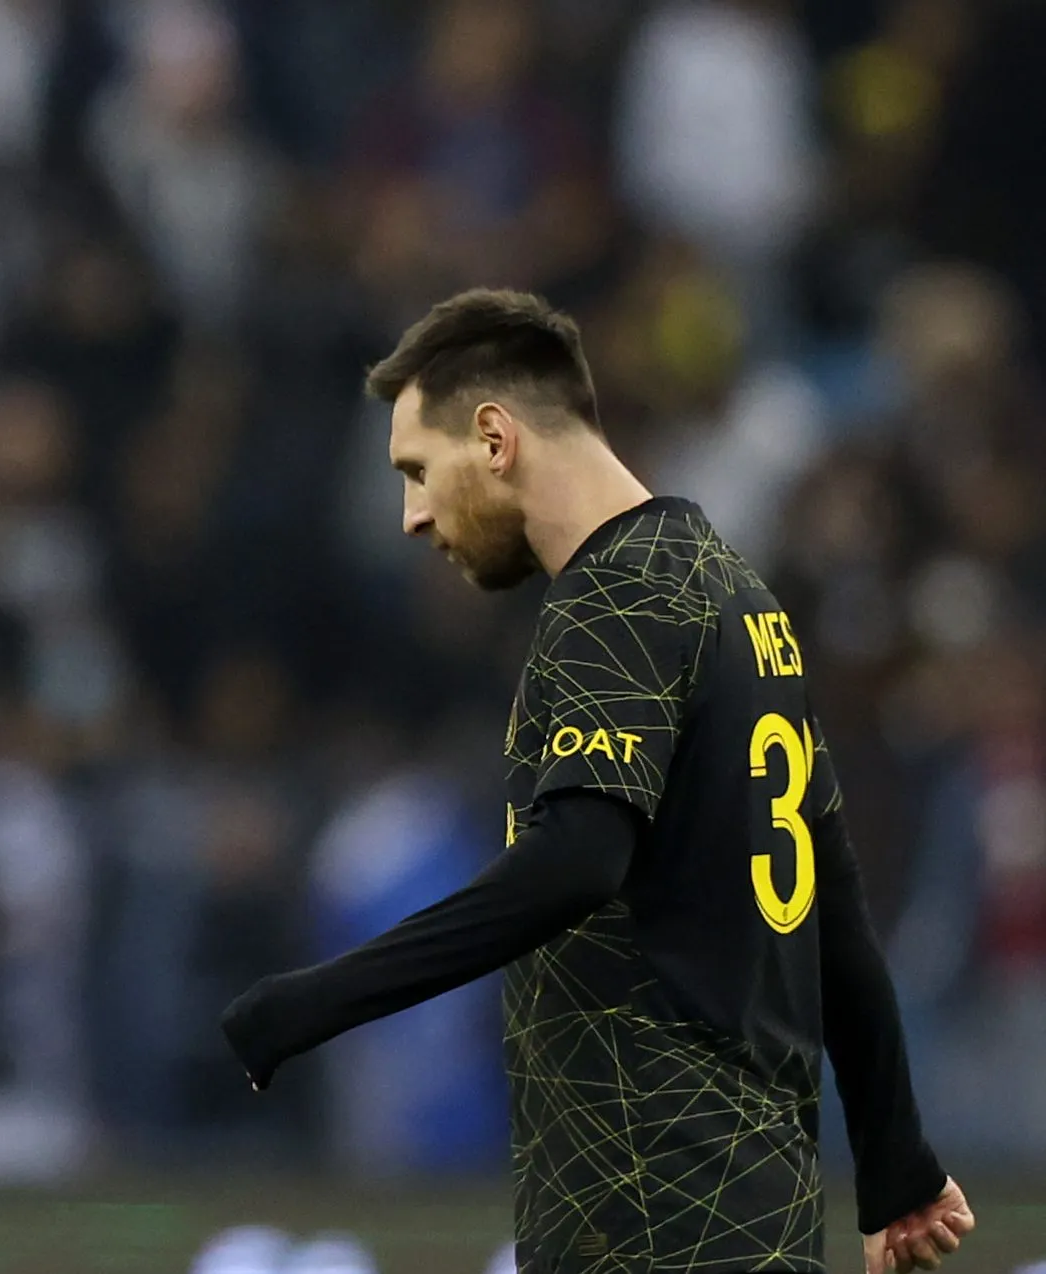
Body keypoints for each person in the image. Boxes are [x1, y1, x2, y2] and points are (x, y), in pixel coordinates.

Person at [220, 289, 975, 1274]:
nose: (411, 514)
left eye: (417, 470)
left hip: (647, 1202)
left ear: (494, 437)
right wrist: (895, 1161)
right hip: (754, 1204)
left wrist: (316, 1000)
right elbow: (833, 913)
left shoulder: (613, 600)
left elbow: (574, 860)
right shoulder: (735, 594)